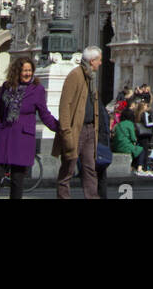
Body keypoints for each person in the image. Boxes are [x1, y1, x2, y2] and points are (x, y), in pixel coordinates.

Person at [0, 57, 59, 200]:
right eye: (24, 70)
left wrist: (59, 127)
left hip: (23, 138)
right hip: (5, 135)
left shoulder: (37, 89)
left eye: (30, 70)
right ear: (17, 71)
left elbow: (44, 114)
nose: (27, 73)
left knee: (17, 179)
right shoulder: (7, 86)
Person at [54, 46, 102, 200]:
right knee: (68, 168)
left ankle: (92, 197)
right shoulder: (75, 75)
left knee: (90, 168)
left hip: (89, 128)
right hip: (76, 129)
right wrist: (66, 131)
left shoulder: (91, 78)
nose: (100, 64)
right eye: (99, 60)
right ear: (92, 61)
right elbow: (65, 105)